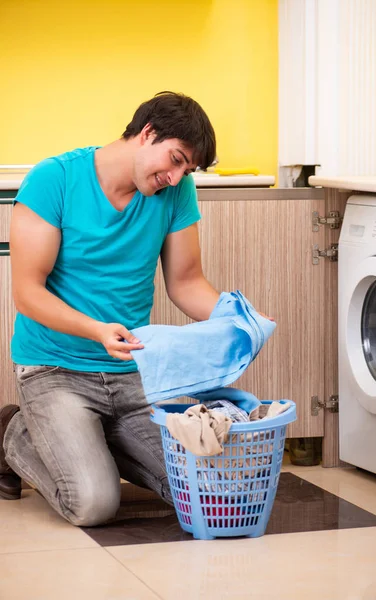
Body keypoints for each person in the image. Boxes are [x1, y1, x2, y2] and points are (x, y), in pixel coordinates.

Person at [0, 91, 221, 525]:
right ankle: (13, 430)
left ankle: (91, 441)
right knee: (94, 505)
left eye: (186, 169)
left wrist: (239, 320)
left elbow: (186, 282)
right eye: (174, 159)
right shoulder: (54, 179)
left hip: (132, 374)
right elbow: (28, 292)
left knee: (202, 489)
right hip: (55, 370)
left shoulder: (176, 192)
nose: (176, 178)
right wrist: (97, 330)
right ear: (148, 133)